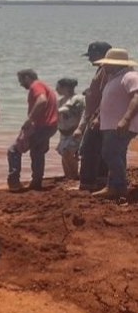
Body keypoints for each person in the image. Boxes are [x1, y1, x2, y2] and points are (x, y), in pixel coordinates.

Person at [90, 49, 138, 199]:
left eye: (107, 63)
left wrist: (126, 118)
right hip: (112, 124)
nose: (104, 66)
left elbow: (136, 96)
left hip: (122, 124)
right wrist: (99, 118)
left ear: (115, 64)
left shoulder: (130, 76)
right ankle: (114, 186)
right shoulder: (114, 78)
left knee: (109, 153)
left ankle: (119, 186)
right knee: (116, 153)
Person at [7, 69, 58, 191]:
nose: (20, 84)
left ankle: (14, 182)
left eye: (21, 80)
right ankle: (36, 181)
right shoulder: (46, 86)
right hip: (50, 126)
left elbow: (42, 100)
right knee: (37, 152)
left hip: (42, 126)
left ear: (27, 78)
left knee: (14, 150)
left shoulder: (36, 85)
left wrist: (30, 120)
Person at [74, 41, 112, 191]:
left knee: (88, 149)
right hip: (99, 115)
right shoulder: (104, 70)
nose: (89, 59)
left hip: (98, 115)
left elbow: (107, 96)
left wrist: (98, 116)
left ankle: (87, 184)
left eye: (92, 56)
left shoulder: (105, 71)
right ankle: (100, 180)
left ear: (101, 54)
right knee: (100, 149)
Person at [55, 78, 85, 180]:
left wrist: (80, 129)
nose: (56, 89)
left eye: (58, 87)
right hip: (63, 132)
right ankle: (68, 176)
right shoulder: (60, 101)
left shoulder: (78, 99)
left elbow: (83, 115)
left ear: (65, 87)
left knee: (68, 153)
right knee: (64, 154)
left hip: (74, 131)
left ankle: (74, 175)